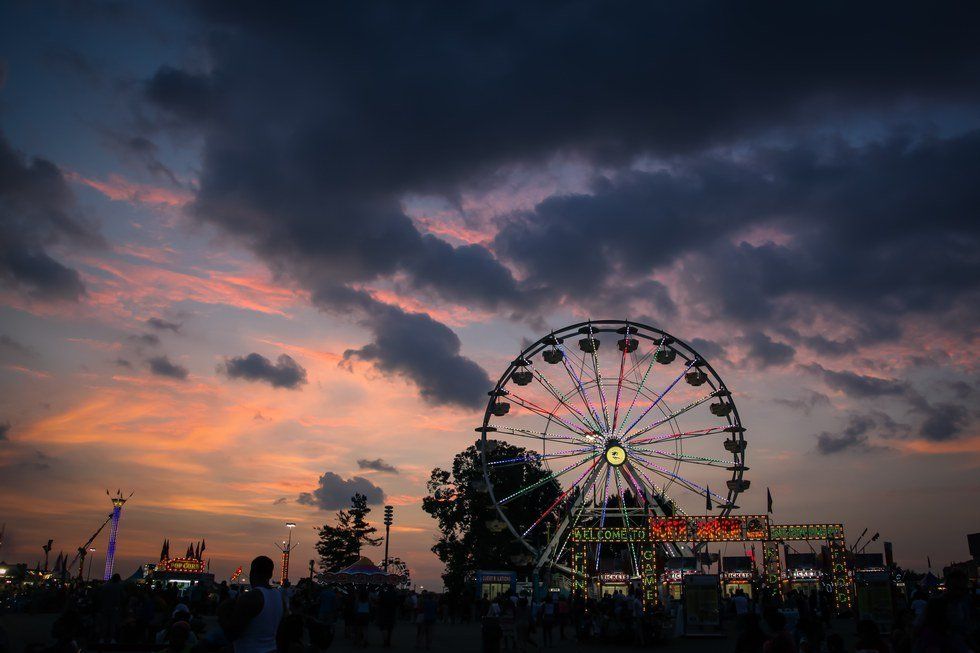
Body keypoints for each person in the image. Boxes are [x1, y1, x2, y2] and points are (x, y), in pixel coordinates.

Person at [220, 555, 284, 653]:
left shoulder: (251, 597)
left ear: (252, 573)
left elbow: (231, 634)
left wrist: (222, 612)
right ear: (270, 574)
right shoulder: (279, 596)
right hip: (271, 649)